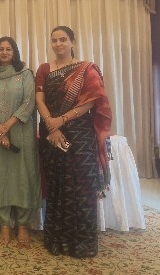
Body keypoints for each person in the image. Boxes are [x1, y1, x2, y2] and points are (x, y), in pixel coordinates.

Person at [35, 26, 112, 258]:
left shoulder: (86, 69)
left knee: (82, 186)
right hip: (51, 134)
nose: (58, 44)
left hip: (80, 134)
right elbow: (39, 100)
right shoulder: (44, 69)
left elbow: (91, 102)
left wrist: (61, 120)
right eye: (54, 40)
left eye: (63, 39)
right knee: (57, 185)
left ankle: (82, 244)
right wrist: (52, 125)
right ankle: (57, 241)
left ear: (72, 42)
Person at [0, 37, 41, 246]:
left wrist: (6, 126)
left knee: (24, 176)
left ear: (14, 52)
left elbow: (29, 102)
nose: (5, 52)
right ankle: (4, 224)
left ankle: (23, 225)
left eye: (8, 49)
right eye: (1, 49)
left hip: (21, 133)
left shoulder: (25, 74)